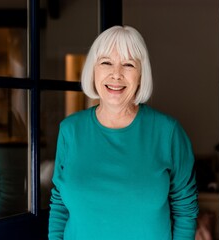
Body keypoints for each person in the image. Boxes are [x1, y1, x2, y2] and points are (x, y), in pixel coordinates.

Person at [49, 25, 199, 240]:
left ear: (141, 74)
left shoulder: (168, 132)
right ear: (93, 70)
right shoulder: (70, 130)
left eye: (128, 64)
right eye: (106, 63)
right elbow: (59, 202)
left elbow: (185, 209)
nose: (116, 74)